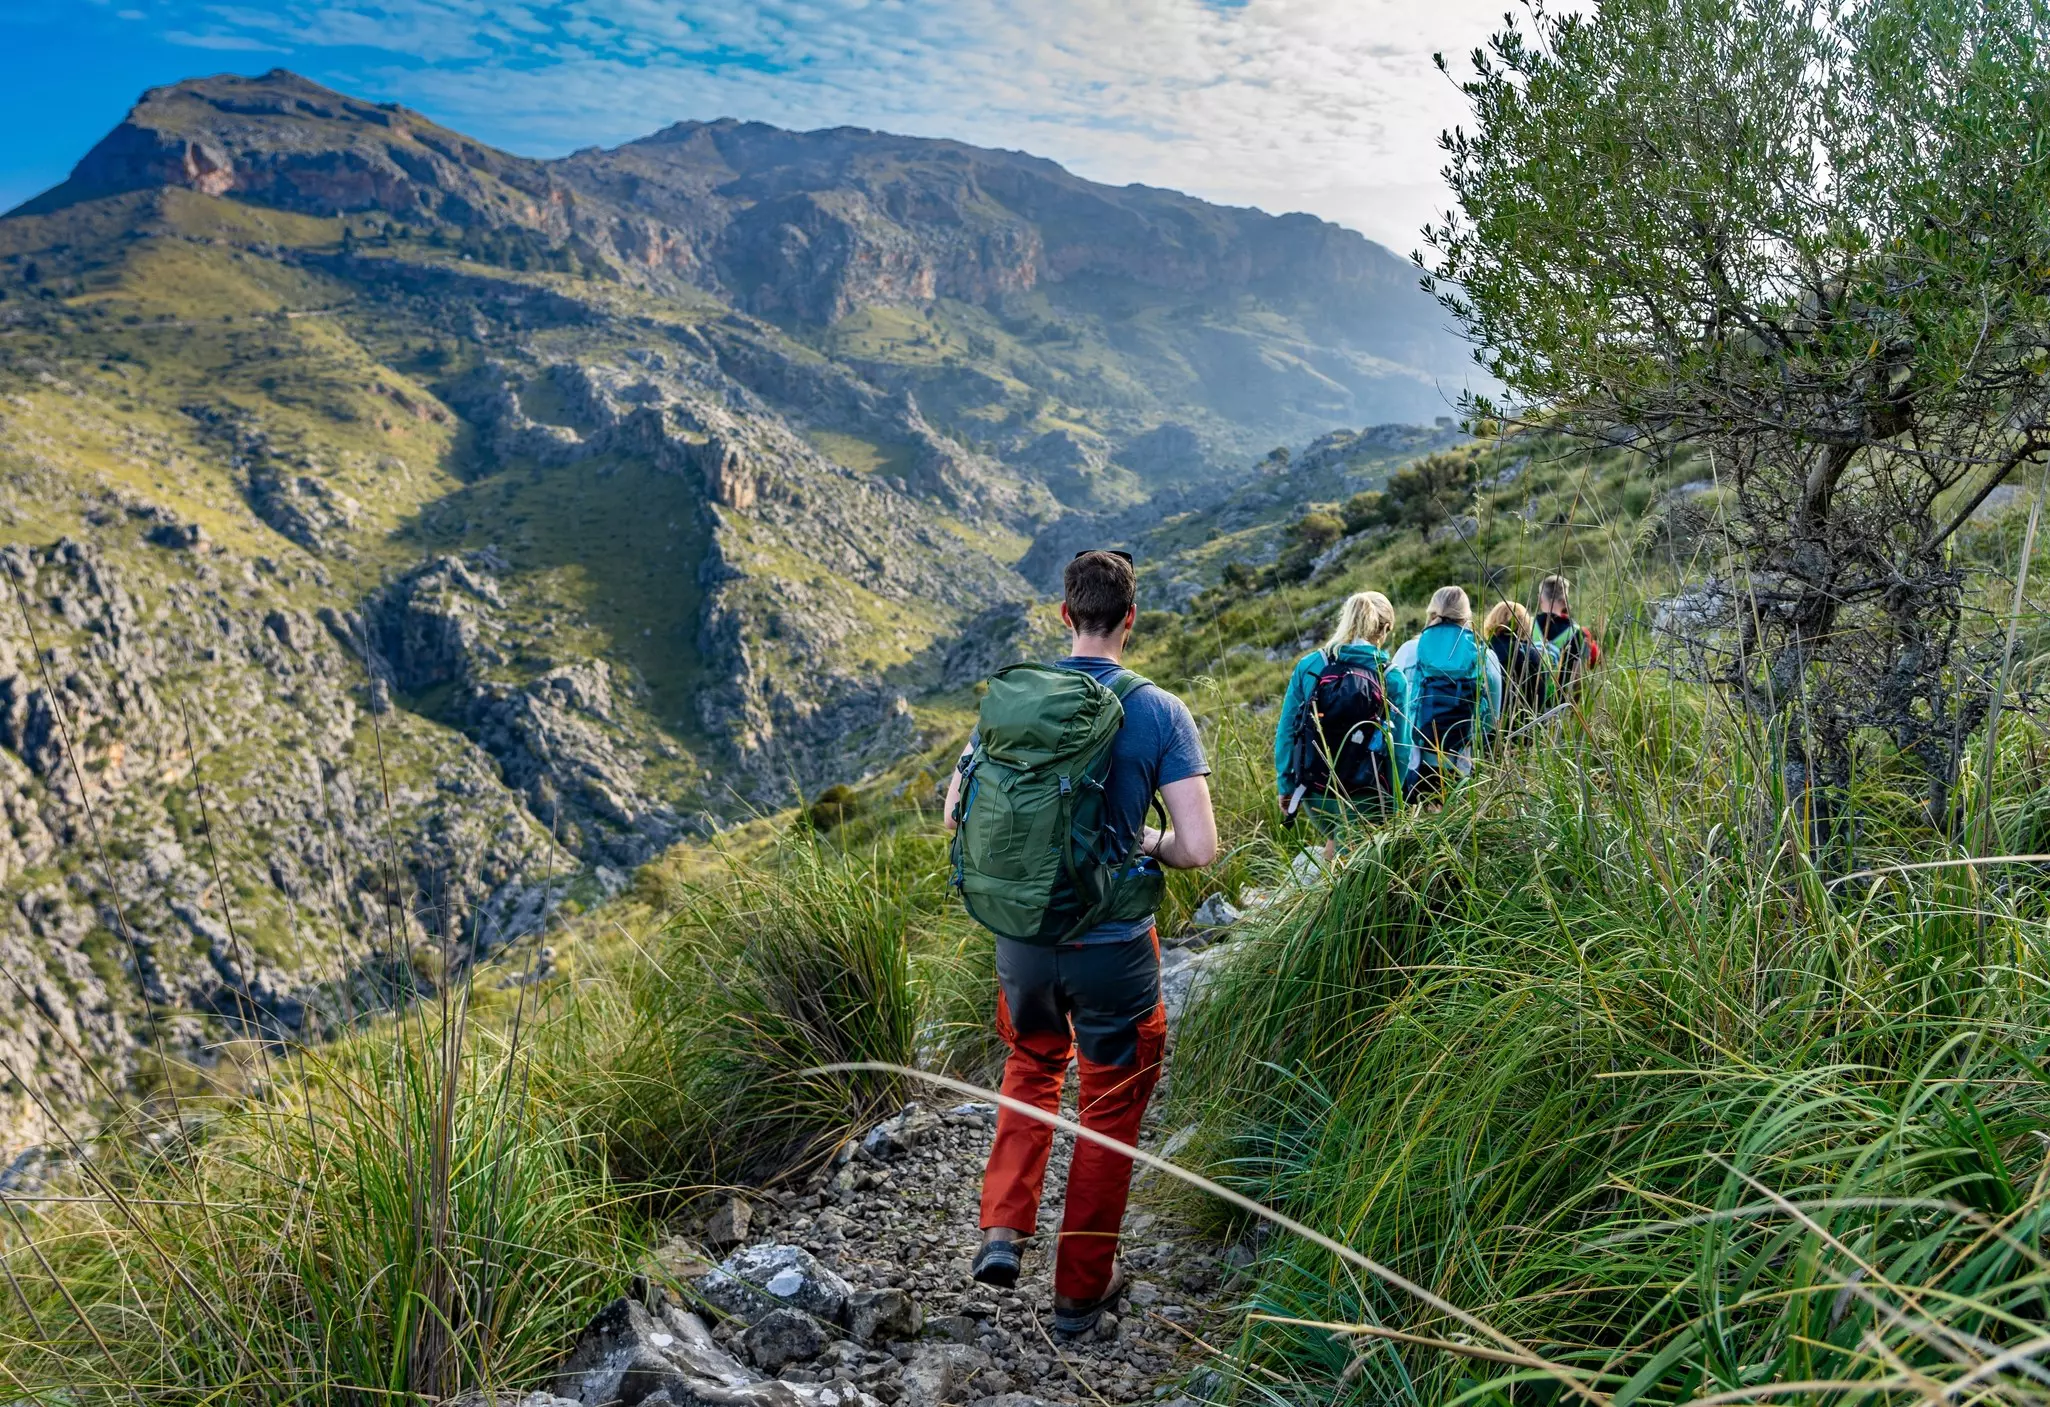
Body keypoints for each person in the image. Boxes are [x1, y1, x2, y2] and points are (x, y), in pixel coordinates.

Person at [943, 549, 1218, 1338]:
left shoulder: (1013, 702)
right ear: (1132, 617)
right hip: (1115, 948)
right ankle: (1079, 1293)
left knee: (1031, 1062)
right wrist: (1147, 840)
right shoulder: (1160, 711)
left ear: (1063, 615)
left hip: (1022, 940)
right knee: (1107, 1105)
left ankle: (1002, 1227)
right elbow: (1198, 847)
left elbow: (956, 809)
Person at [1274, 590, 1398, 862]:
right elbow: (1400, 745)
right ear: (1385, 628)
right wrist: (1398, 803)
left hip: (1315, 791)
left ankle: (1317, 894)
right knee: (1354, 864)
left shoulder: (1310, 665)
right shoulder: (1391, 676)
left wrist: (1286, 784)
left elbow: (1286, 730)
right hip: (1368, 796)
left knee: (1337, 843)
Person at [1387, 586, 1503, 802]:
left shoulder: (1409, 651)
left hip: (1415, 761)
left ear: (1431, 612)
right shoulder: (1485, 656)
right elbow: (1491, 722)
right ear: (1467, 616)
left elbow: (1390, 707)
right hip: (1463, 762)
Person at [1533, 574, 1601, 699]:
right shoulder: (1580, 633)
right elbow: (1591, 665)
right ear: (1565, 601)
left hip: (1527, 701)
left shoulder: (1526, 625)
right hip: (1560, 704)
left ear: (1540, 599)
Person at [1482, 600, 1547, 729]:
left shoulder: (1483, 653)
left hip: (1489, 736)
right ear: (1524, 624)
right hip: (1525, 734)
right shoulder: (1533, 655)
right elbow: (1540, 700)